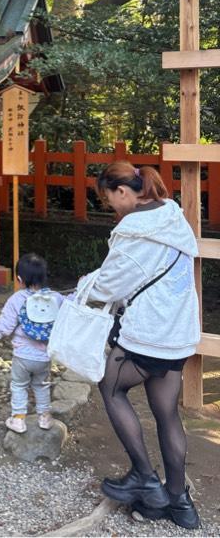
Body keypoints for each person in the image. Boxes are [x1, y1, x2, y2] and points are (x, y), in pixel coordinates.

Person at [83, 161, 200, 529]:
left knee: (111, 386)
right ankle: (180, 504)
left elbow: (109, 287)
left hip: (149, 333)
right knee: (166, 412)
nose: (112, 207)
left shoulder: (135, 232)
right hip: (178, 333)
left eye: (109, 199)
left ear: (122, 191)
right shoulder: (171, 214)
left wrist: (83, 288)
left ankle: (144, 477)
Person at [0, 253, 64, 433]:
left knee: (19, 385)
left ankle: (19, 419)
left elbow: (7, 323)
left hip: (22, 355)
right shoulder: (56, 298)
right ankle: (44, 417)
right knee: (42, 385)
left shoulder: (17, 299)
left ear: (19, 279)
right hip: (45, 357)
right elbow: (71, 304)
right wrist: (80, 289)